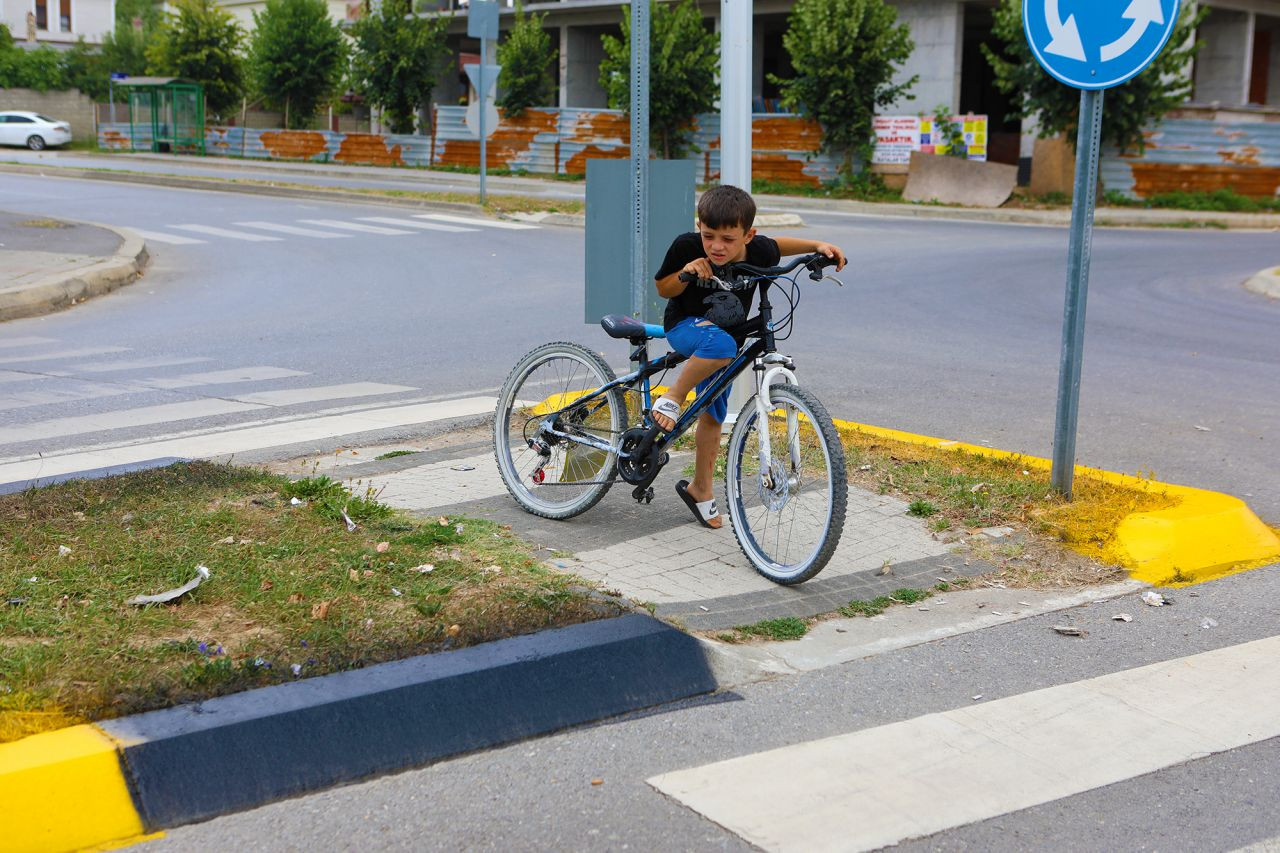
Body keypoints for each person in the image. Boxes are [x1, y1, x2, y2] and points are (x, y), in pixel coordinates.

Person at [651, 184, 846, 529]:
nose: (716, 246)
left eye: (728, 239)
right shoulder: (687, 245)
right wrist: (687, 272)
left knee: (714, 413)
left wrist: (817, 246)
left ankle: (701, 489)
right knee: (723, 346)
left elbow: (778, 246)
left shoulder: (758, 250)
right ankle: (673, 397)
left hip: (724, 344)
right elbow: (663, 287)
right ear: (699, 227)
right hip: (685, 327)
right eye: (708, 235)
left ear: (748, 235)